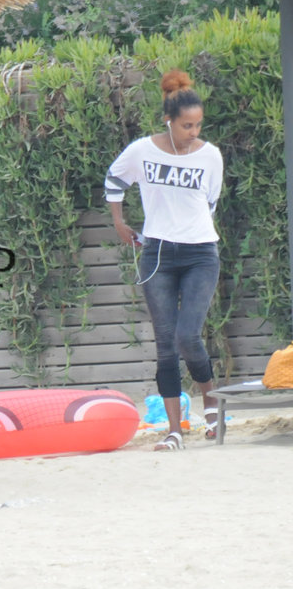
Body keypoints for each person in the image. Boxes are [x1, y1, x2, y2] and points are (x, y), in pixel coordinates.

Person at [104, 69, 224, 451]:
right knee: (166, 345)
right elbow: (114, 180)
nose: (194, 132)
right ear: (168, 121)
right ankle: (174, 431)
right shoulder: (142, 151)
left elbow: (210, 202)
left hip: (200, 253)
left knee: (188, 335)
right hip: (157, 254)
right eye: (187, 125)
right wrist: (119, 222)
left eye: (198, 125)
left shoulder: (210, 156)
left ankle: (212, 407)